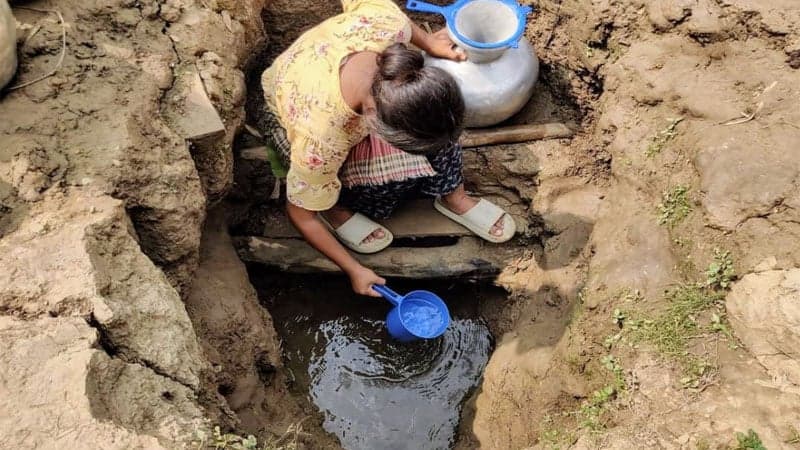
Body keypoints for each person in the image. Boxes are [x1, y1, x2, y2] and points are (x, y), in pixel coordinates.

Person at [259, 0, 515, 297]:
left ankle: (453, 197)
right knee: (343, 188)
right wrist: (353, 269)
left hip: (343, 85)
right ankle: (336, 211)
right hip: (287, 109)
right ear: (372, 120)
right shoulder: (322, 137)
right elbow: (302, 215)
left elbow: (401, 24)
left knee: (438, 133)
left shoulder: (385, 27)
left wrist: (430, 42)